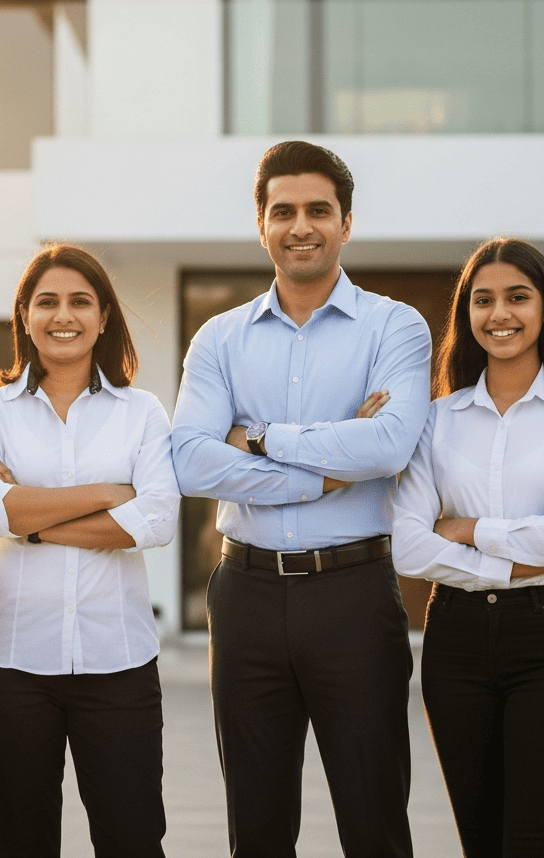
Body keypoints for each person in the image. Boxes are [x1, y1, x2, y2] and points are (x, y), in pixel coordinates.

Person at [171, 140, 431, 858]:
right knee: (255, 827)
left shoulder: (395, 326)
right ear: (261, 224)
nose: (301, 226)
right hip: (245, 595)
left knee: (374, 820)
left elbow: (388, 447)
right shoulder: (219, 340)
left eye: (319, 209)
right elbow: (190, 460)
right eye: (283, 211)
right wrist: (325, 467)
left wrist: (254, 438)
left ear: (346, 221)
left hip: (353, 593)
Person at [392, 237, 544, 858]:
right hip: (455, 641)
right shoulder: (436, 419)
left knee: (533, 843)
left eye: (517, 297)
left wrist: (468, 529)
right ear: (467, 315)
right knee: (480, 843)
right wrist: (532, 551)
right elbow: (407, 547)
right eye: (483, 301)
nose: (499, 314)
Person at [0, 242, 180, 858]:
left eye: (81, 301)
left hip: (120, 663)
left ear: (104, 316)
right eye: (47, 301)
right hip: (10, 665)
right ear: (24, 316)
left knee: (133, 840)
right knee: (21, 842)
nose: (64, 315)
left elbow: (156, 519)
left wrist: (26, 516)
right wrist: (110, 494)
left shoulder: (141, 411)